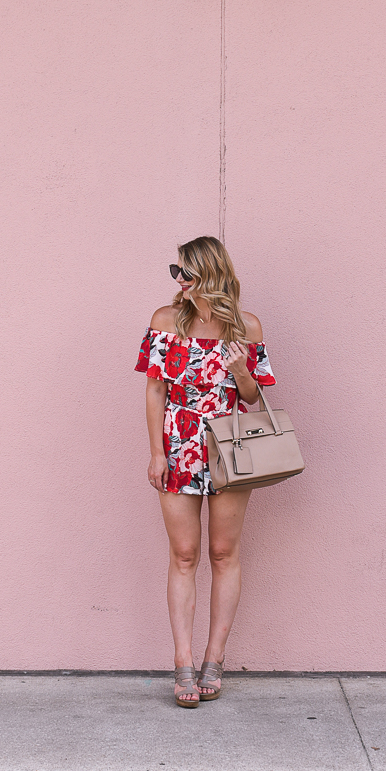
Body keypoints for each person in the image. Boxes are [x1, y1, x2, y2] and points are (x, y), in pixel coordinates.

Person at [135, 235, 276, 708]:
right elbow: (155, 392)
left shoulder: (246, 326)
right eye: (174, 272)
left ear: (210, 274)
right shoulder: (165, 321)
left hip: (230, 447)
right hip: (178, 444)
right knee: (183, 553)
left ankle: (214, 658)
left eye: (185, 273)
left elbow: (253, 399)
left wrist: (240, 371)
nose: (177, 281)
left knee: (222, 552)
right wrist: (157, 453)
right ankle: (183, 662)